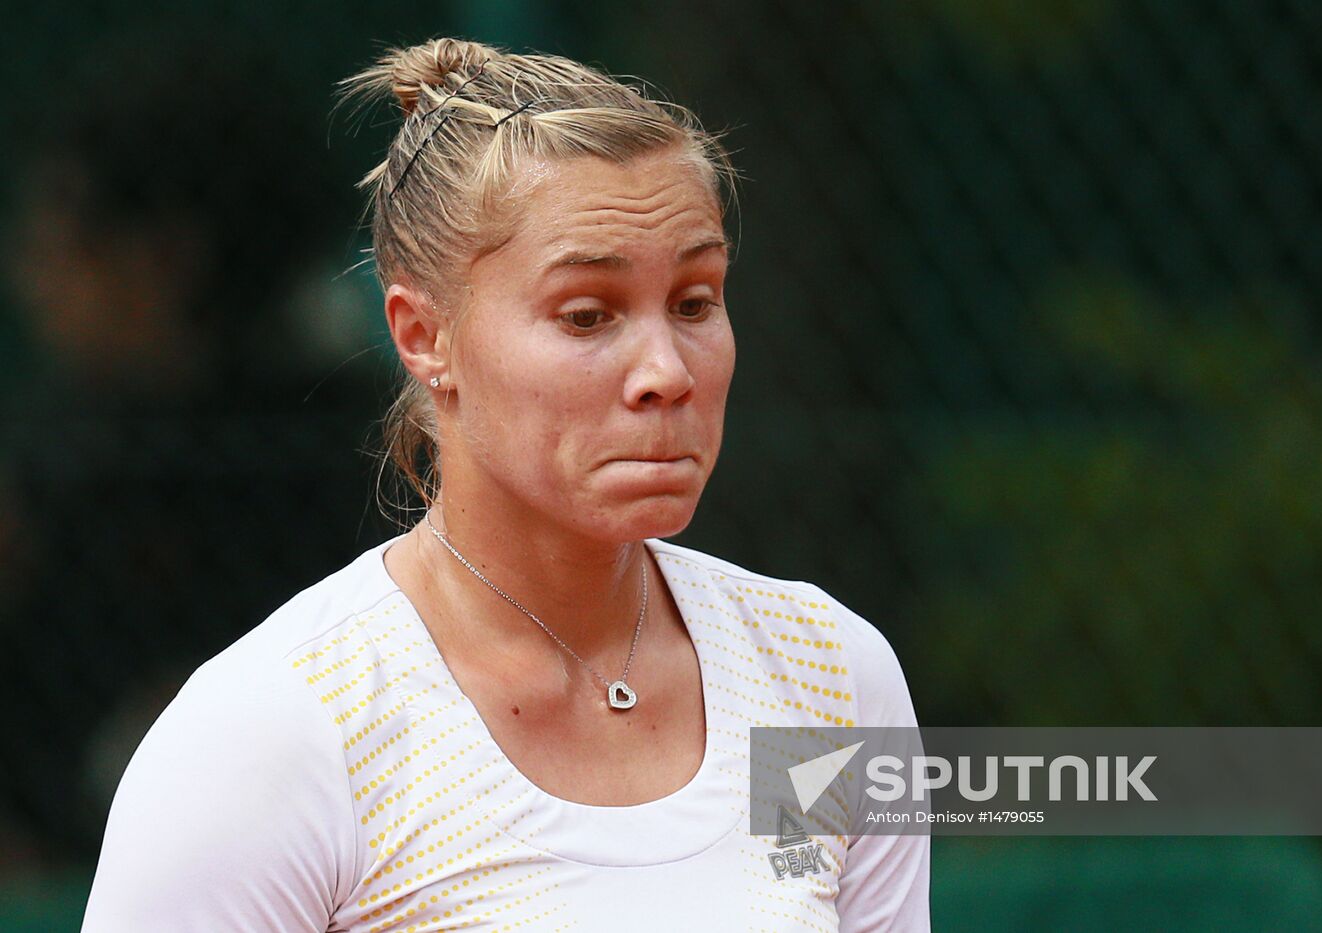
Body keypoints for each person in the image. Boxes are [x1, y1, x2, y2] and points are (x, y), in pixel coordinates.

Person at [81, 38, 929, 932]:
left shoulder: (831, 676)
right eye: (587, 314)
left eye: (694, 301)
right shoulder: (273, 731)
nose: (666, 371)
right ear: (423, 335)